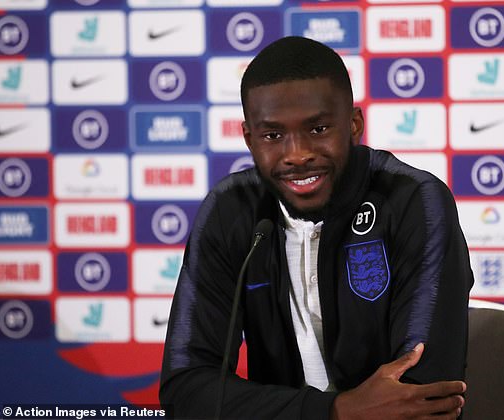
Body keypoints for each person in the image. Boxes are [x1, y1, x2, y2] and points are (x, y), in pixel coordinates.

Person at [160, 36, 474, 419]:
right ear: (249, 138)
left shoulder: (413, 202)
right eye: (273, 136)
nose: (296, 154)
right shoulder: (231, 211)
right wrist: (337, 411)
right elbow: (186, 388)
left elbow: (423, 398)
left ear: (354, 125)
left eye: (319, 129)